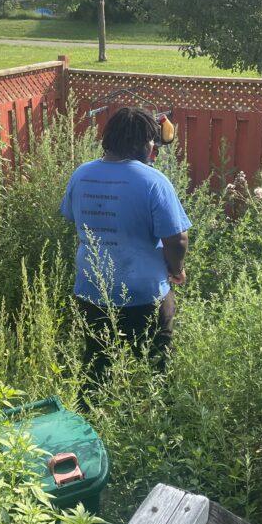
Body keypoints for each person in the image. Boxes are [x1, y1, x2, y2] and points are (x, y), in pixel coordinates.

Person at [60, 107, 191, 386]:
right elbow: (177, 240)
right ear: (144, 144)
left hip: (92, 290)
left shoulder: (82, 174)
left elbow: (72, 216)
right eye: (152, 141)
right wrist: (175, 269)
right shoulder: (154, 181)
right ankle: (157, 420)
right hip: (144, 296)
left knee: (97, 363)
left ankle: (90, 419)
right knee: (157, 363)